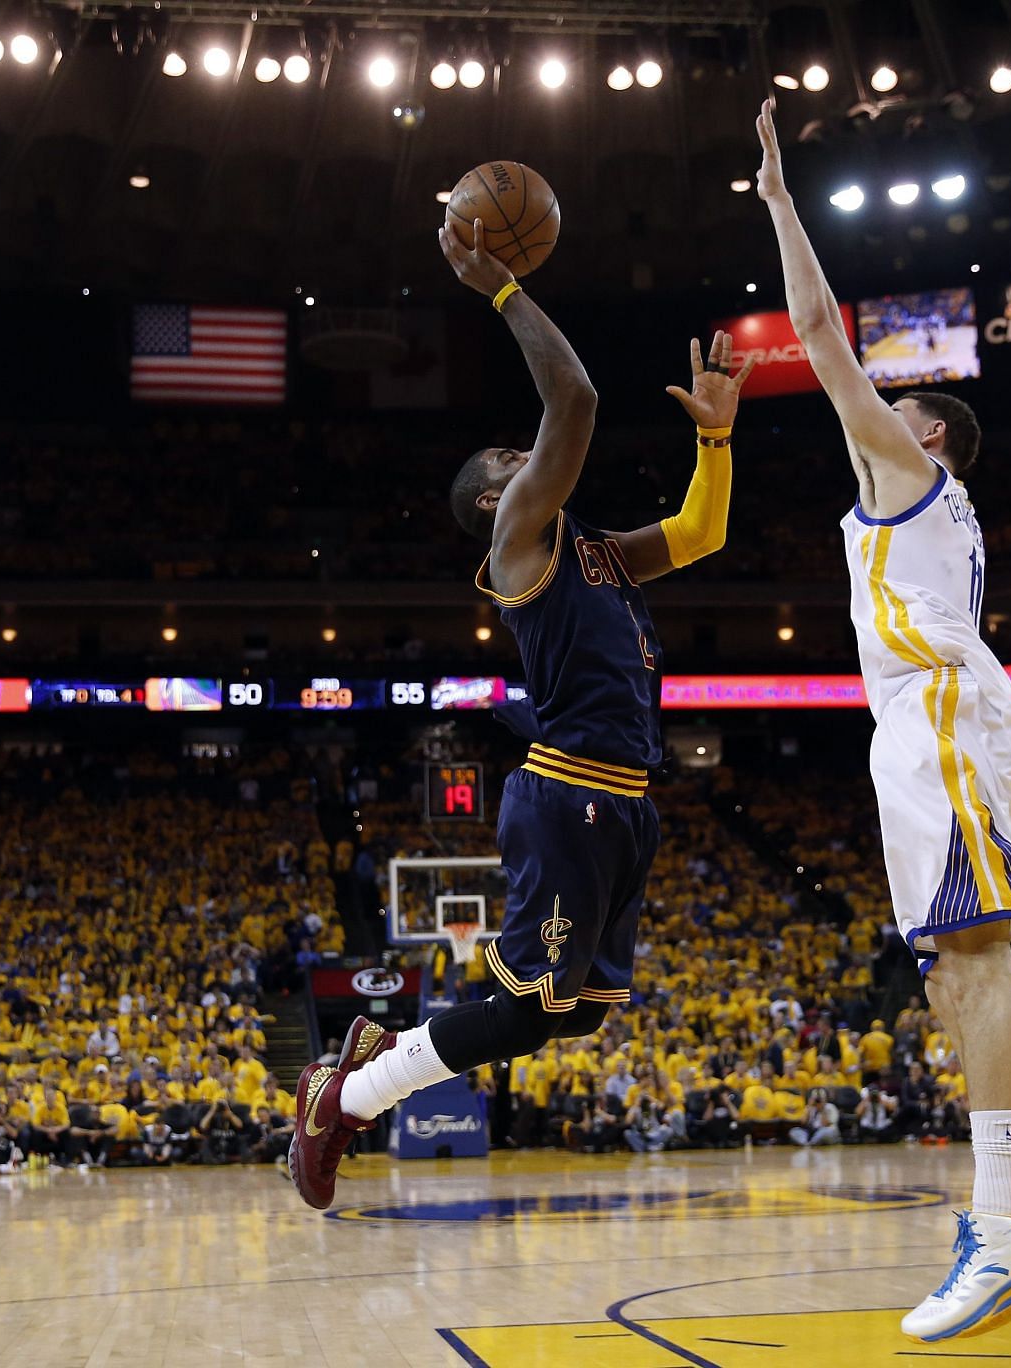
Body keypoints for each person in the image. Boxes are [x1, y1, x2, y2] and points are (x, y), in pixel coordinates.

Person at [286, 215, 755, 1210]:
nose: (525, 453)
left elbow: (705, 533)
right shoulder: (518, 543)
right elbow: (574, 400)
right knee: (516, 1013)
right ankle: (348, 1095)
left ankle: (368, 1062)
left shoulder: (599, 550)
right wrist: (501, 288)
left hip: (625, 803)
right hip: (570, 793)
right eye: (510, 454)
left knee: (562, 1020)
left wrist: (714, 434)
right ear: (496, 497)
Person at [753, 96, 1011, 1343]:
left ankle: (1006, 1227)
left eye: (906, 401)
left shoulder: (913, 472)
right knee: (955, 971)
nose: (882, 403)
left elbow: (813, 333)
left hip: (939, 705)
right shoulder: (920, 506)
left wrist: (783, 204)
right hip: (932, 714)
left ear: (932, 433)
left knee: (973, 957)